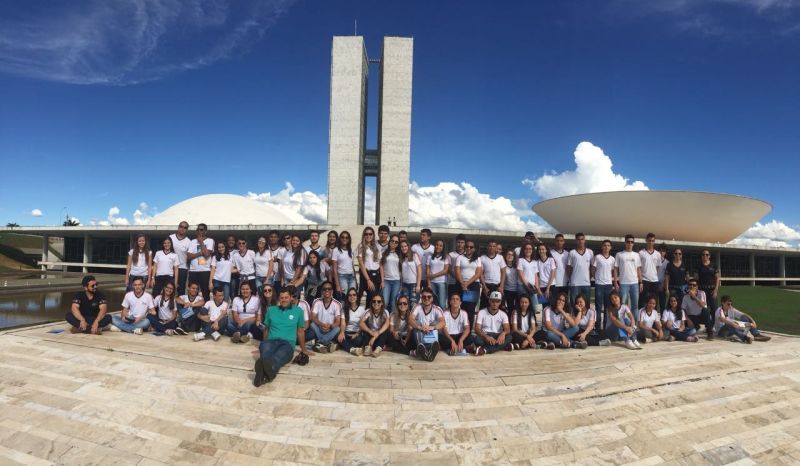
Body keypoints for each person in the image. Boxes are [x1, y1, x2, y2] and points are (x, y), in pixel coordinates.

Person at [253, 288, 309, 386]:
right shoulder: (271, 310)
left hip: (287, 344)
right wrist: (263, 344)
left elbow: (300, 332)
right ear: (279, 299)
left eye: (286, 297)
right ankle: (268, 374)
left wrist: (303, 350)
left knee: (278, 357)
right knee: (266, 353)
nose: (284, 300)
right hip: (271, 341)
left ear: (291, 298)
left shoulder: (298, 311)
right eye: (282, 298)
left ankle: (262, 374)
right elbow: (266, 329)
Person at [408, 288, 446, 361]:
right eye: (424, 297)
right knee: (416, 323)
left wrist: (432, 327)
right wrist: (421, 327)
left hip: (430, 334)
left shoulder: (437, 309)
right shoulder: (417, 307)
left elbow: (443, 322)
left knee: (435, 323)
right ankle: (428, 350)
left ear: (432, 298)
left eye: (429, 297)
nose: (426, 298)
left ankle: (423, 351)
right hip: (419, 333)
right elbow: (410, 320)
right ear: (421, 298)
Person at [473, 291, 511, 355]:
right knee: (477, 339)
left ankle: (485, 350)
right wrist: (486, 337)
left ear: (500, 302)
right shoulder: (482, 312)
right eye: (493, 301)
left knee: (509, 337)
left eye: (497, 301)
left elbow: (507, 329)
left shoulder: (503, 314)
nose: (495, 303)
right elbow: (477, 329)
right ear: (489, 301)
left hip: (497, 335)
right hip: (485, 334)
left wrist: (503, 333)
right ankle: (502, 346)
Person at [310, 280, 342, 353]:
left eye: (329, 289)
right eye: (324, 289)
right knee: (312, 324)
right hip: (319, 328)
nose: (327, 290)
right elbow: (313, 317)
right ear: (321, 291)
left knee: (338, 328)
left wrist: (330, 326)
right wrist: (322, 324)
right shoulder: (316, 301)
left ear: (332, 291)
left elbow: (338, 321)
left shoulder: (337, 304)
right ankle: (328, 343)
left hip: (330, 329)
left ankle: (320, 342)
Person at [615, 234, 642, 318]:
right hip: (623, 283)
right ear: (625, 242)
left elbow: (638, 269)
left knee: (635, 306)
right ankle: (621, 323)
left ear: (633, 243)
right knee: (621, 305)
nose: (630, 243)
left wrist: (641, 282)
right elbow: (615, 269)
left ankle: (635, 324)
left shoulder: (636, 255)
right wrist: (615, 282)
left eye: (632, 242)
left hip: (635, 283)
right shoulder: (619, 254)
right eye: (628, 241)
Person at [456, 240, 483, 324]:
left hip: (473, 285)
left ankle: (469, 329)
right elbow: (457, 271)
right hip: (461, 284)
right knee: (462, 307)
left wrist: (467, 284)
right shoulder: (460, 257)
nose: (468, 248)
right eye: (467, 246)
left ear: (474, 249)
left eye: (471, 247)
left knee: (470, 308)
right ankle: (461, 327)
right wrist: (462, 284)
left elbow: (478, 273)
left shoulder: (478, 259)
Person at [592, 240, 616, 329]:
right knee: (598, 307)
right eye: (605, 245)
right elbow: (593, 269)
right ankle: (598, 327)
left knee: (608, 307)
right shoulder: (597, 257)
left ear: (610, 247)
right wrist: (596, 279)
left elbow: (613, 271)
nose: (606, 247)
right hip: (599, 285)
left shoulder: (612, 259)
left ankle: (606, 326)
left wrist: (612, 280)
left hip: (608, 285)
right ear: (602, 247)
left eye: (608, 245)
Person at [186, 224, 214, 300]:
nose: (199, 231)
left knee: (205, 293)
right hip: (193, 271)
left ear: (205, 231)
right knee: (192, 293)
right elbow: (188, 256)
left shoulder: (210, 241)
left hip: (205, 271)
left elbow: (207, 254)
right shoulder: (193, 241)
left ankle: (206, 307)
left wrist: (201, 241)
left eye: (201, 229)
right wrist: (200, 253)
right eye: (197, 229)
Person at [357, 226, 382, 305]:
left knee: (373, 297)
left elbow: (380, 263)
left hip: (376, 274)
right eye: (366, 234)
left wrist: (382, 280)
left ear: (373, 235)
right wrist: (368, 279)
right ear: (364, 235)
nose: (368, 236)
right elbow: (361, 263)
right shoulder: (361, 246)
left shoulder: (377, 246)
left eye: (370, 234)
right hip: (367, 273)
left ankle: (370, 311)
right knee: (363, 294)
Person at [697, 249, 721, 334]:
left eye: (707, 255)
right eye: (703, 254)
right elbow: (696, 279)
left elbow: (717, 278)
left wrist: (716, 290)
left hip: (711, 290)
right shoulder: (699, 266)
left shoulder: (713, 265)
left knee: (714, 309)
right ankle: (707, 326)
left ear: (709, 256)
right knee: (704, 309)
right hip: (702, 291)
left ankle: (713, 326)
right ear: (701, 256)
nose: (705, 256)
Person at [566, 233, 593, 306]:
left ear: (585, 240)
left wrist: (589, 277)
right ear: (576, 241)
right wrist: (571, 278)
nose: (580, 241)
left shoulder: (590, 252)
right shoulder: (572, 252)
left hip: (586, 283)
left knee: (586, 304)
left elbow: (591, 267)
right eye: (578, 239)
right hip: (575, 283)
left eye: (582, 239)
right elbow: (568, 267)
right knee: (574, 304)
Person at [340, 287, 367, 355]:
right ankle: (352, 349)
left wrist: (357, 334)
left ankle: (346, 346)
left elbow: (363, 325)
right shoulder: (344, 309)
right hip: (347, 333)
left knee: (359, 340)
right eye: (350, 295)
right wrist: (342, 332)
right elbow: (343, 323)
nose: (352, 296)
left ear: (357, 297)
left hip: (357, 334)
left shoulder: (361, 309)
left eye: (354, 295)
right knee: (339, 336)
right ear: (347, 297)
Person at [479, 239, 506, 309]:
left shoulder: (500, 258)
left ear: (496, 248)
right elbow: (480, 273)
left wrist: (501, 286)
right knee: (484, 307)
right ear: (487, 247)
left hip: (497, 286)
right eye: (490, 246)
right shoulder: (482, 258)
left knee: (498, 307)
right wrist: (484, 287)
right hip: (487, 286)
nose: (492, 248)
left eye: (494, 246)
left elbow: (503, 272)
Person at [639, 233, 662, 310]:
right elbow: (638, 268)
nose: (651, 242)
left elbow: (657, 267)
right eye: (649, 240)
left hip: (654, 281)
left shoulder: (658, 254)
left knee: (654, 301)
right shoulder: (641, 253)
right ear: (646, 240)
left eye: (652, 241)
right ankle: (641, 316)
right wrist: (641, 281)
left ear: (654, 241)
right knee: (642, 301)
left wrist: (653, 274)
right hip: (644, 280)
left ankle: (653, 316)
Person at [331, 231, 356, 301]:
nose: (345, 239)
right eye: (343, 237)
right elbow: (334, 269)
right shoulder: (336, 250)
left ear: (349, 239)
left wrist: (355, 280)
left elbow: (352, 265)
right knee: (343, 298)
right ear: (340, 239)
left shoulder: (351, 250)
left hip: (351, 277)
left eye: (347, 238)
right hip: (342, 277)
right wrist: (337, 285)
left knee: (352, 298)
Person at [380, 234, 402, 311]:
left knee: (393, 303)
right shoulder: (384, 253)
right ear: (389, 241)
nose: (394, 243)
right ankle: (384, 317)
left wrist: (401, 283)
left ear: (398, 244)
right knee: (385, 302)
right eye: (392, 241)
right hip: (386, 280)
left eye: (396, 242)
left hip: (396, 281)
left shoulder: (400, 254)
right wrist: (382, 281)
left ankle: (392, 318)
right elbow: (381, 267)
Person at [426, 239, 450, 309]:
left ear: (443, 247)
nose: (438, 247)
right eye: (437, 245)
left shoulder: (446, 257)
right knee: (432, 303)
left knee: (442, 304)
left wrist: (434, 275)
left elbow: (445, 271)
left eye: (440, 246)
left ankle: (442, 315)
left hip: (441, 282)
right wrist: (429, 284)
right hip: (432, 283)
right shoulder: (430, 257)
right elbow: (427, 271)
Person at [170, 221, 191, 295]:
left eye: (185, 227)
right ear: (178, 227)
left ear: (187, 230)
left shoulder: (189, 242)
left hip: (182, 268)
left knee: (181, 289)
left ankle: (180, 302)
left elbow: (190, 257)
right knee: (169, 288)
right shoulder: (171, 237)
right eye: (181, 226)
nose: (182, 228)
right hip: (170, 267)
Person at [399, 240, 422, 307]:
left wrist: (418, 285)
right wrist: (401, 285)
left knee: (413, 304)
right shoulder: (402, 258)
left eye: (405, 246)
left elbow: (419, 270)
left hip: (413, 284)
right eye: (402, 247)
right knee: (406, 304)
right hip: (405, 284)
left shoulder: (414, 255)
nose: (404, 248)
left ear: (408, 246)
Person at [535, 243, 556, 309]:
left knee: (551, 307)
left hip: (551, 286)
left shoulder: (551, 260)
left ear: (546, 250)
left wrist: (548, 288)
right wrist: (538, 289)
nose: (541, 251)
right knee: (539, 308)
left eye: (543, 249)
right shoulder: (536, 262)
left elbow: (553, 274)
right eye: (539, 249)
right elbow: (537, 276)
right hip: (541, 287)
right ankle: (539, 317)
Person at [447, 234, 466, 299]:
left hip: (465, 282)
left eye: (462, 243)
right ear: (456, 243)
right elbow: (448, 269)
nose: (460, 244)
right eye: (458, 242)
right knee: (452, 301)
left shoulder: (468, 255)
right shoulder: (450, 255)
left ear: (464, 244)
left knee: (466, 302)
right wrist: (458, 277)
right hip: (453, 282)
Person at [550, 234, 569, 299]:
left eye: (561, 241)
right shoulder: (550, 253)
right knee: (554, 302)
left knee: (564, 302)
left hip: (565, 283)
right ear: (555, 242)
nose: (559, 242)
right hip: (554, 283)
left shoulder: (567, 254)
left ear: (564, 242)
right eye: (557, 241)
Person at [503, 249, 519, 314]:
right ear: (505, 256)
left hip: (517, 290)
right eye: (508, 254)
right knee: (509, 308)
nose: (510, 256)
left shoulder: (517, 266)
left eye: (512, 255)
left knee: (517, 308)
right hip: (507, 290)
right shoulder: (503, 267)